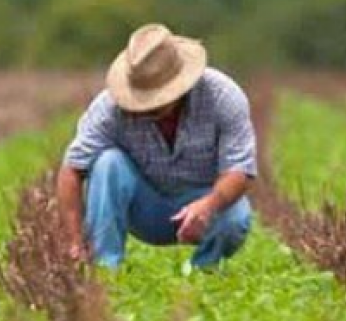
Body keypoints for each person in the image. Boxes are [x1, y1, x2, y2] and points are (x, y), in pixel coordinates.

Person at [56, 23, 257, 270]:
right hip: (145, 206)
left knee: (236, 216)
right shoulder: (109, 108)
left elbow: (240, 171)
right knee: (108, 163)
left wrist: (207, 205)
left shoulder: (223, 96)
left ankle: (203, 272)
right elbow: (71, 170)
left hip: (203, 202)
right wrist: (75, 241)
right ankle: (105, 269)